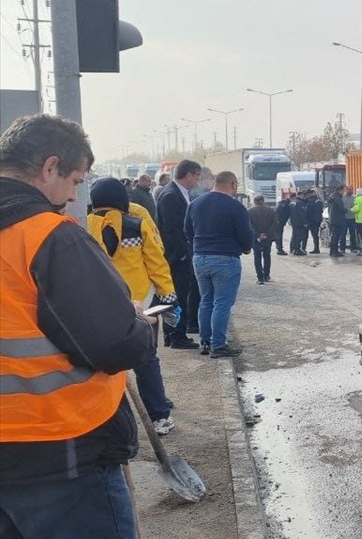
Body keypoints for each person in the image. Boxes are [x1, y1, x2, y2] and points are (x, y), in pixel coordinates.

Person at [0, 114, 156, 539]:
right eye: (73, 180)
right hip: (58, 453)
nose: (72, 196)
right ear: (49, 168)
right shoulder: (49, 237)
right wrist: (139, 325)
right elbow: (114, 345)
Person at [86, 177, 178, 435]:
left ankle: (104, 422)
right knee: (147, 361)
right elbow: (155, 261)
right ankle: (160, 417)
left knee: (104, 365)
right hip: (142, 304)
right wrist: (168, 296)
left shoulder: (81, 226)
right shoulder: (137, 225)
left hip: (99, 306)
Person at [184, 170, 253, 357]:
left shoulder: (195, 204)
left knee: (206, 300)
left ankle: (205, 341)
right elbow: (245, 234)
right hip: (225, 259)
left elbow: (187, 231)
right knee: (222, 303)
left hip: (200, 258)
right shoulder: (235, 206)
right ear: (232, 184)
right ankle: (219, 345)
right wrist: (246, 248)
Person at [155, 160, 204, 349]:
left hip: (180, 253)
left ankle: (173, 334)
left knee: (177, 296)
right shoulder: (170, 195)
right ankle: (176, 336)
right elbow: (170, 229)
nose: (198, 180)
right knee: (178, 296)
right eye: (197, 175)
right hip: (177, 256)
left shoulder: (178, 193)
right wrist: (183, 253)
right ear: (189, 175)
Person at [247, 194, 277, 284]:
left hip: (256, 238)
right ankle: (267, 276)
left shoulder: (250, 211)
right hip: (268, 237)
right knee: (267, 256)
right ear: (263, 201)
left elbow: (250, 225)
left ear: (254, 201)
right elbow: (275, 224)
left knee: (257, 257)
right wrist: (267, 234)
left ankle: (260, 278)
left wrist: (257, 235)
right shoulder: (271, 211)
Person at [327, 184, 348, 257]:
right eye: (344, 190)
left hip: (333, 219)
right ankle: (334, 251)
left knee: (334, 236)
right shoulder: (337, 198)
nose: (344, 192)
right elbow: (341, 209)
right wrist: (346, 210)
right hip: (337, 220)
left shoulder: (333, 196)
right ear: (340, 190)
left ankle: (332, 251)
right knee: (336, 236)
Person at [288, 190, 308, 255]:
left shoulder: (292, 202)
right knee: (298, 236)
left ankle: (292, 248)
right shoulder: (300, 203)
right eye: (303, 195)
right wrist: (305, 222)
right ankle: (297, 250)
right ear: (300, 195)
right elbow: (302, 214)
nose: (304, 197)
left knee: (294, 236)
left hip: (294, 221)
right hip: (299, 222)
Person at [305, 189, 324, 254]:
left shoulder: (311, 201)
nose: (307, 196)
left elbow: (309, 211)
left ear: (311, 193)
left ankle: (316, 249)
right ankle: (316, 248)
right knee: (315, 235)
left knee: (314, 235)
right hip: (317, 220)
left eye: (308, 194)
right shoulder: (318, 200)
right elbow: (321, 210)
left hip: (312, 220)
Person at [344, 184, 359, 252]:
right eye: (350, 189)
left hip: (352, 218)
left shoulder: (354, 198)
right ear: (346, 190)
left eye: (352, 189)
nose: (351, 191)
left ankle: (353, 248)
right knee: (343, 234)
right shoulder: (342, 198)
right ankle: (342, 248)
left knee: (352, 234)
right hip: (344, 218)